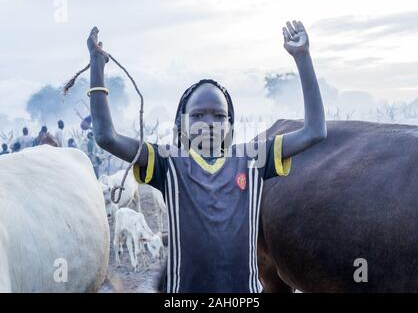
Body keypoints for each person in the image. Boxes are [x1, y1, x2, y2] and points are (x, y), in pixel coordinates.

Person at [86, 20, 327, 293]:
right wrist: (96, 66)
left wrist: (303, 57)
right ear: (181, 126)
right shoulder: (168, 164)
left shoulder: (254, 159)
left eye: (219, 115)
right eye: (198, 115)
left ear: (230, 126)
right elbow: (107, 137)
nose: (209, 122)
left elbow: (314, 131)